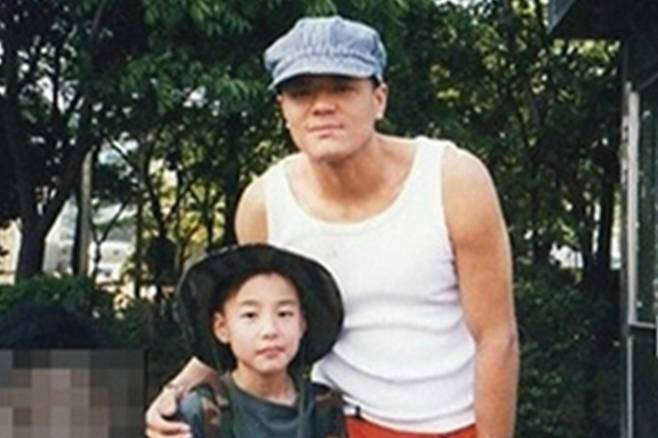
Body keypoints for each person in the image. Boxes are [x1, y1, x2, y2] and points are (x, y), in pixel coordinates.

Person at [146, 15, 519, 438]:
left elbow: (497, 337)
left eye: (342, 87)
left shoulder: (451, 180)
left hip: (455, 423)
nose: (321, 105)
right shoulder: (265, 202)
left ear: (379, 99)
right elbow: (246, 317)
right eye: (301, 92)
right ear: (283, 109)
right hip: (334, 424)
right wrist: (176, 391)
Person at [173, 243, 346, 437]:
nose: (270, 330)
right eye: (250, 315)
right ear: (222, 327)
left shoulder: (323, 408)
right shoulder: (201, 411)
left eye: (284, 313)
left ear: (302, 324)